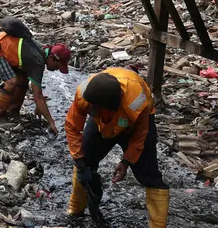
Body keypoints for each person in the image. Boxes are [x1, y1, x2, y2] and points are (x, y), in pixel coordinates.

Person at [65, 68, 168, 227]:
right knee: (85, 160)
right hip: (102, 125)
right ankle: (75, 209)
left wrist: (126, 161)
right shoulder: (85, 95)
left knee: (149, 175)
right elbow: (72, 127)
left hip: (134, 124)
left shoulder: (137, 102)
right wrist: (80, 163)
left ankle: (158, 224)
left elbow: (140, 135)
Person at [0, 21, 70, 135]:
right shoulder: (37, 61)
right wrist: (51, 122)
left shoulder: (43, 51)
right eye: (57, 66)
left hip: (1, 46)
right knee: (11, 82)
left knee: (23, 78)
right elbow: (38, 96)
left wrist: (40, 107)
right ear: (52, 58)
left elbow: (36, 88)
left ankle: (14, 112)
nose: (57, 69)